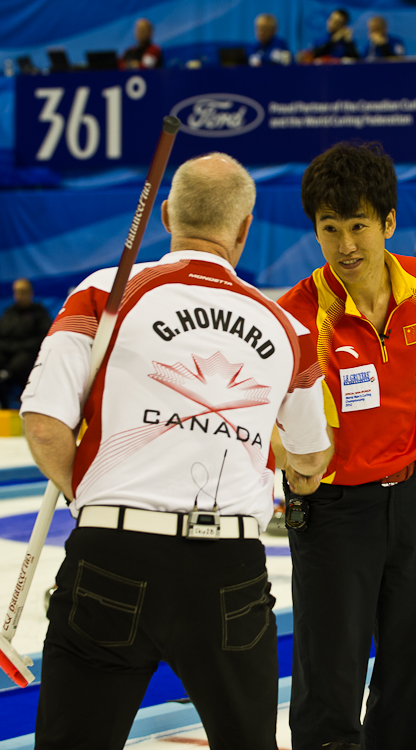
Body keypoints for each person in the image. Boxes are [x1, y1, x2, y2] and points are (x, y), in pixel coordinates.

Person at [20, 153, 332, 750]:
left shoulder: (104, 295)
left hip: (112, 552)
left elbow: (43, 421)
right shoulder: (286, 328)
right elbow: (312, 458)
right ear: (244, 228)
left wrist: (91, 499)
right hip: (228, 572)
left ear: (167, 215)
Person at [272, 141, 416, 750]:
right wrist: (291, 464)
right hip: (334, 514)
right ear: (316, 231)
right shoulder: (300, 316)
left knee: (414, 673)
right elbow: (267, 419)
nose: (346, 244)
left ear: (389, 222)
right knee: (331, 682)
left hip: (406, 499)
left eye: (359, 226)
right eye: (330, 229)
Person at [0, 278, 51, 409]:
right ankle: (4, 407)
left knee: (20, 363)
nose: (19, 296)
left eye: (23, 292)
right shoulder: (9, 313)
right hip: (9, 352)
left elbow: (43, 338)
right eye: (16, 292)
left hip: (29, 356)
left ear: (30, 293)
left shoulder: (39, 313)